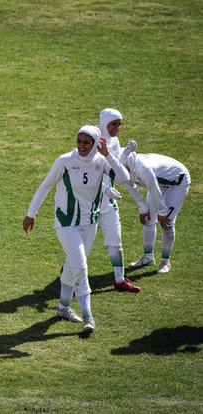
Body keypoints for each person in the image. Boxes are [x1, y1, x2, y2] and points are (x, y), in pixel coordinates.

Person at [23, 126, 130, 333]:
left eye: (86, 142)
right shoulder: (65, 161)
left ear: (96, 143)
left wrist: (108, 154)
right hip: (66, 223)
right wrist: (31, 213)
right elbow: (45, 186)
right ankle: (89, 317)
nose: (81, 146)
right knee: (81, 267)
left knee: (73, 267)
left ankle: (63, 308)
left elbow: (124, 177)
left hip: (90, 222)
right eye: (79, 141)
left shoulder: (101, 161)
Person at [120, 143, 190, 274]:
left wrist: (163, 212)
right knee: (147, 219)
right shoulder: (121, 168)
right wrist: (142, 207)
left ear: (127, 163)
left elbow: (154, 189)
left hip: (178, 181)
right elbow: (129, 186)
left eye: (123, 169)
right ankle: (148, 257)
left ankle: (165, 261)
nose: (121, 173)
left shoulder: (144, 168)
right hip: (158, 182)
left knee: (166, 222)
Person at [95, 108, 140, 292]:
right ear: (105, 121)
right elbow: (84, 172)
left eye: (120, 124)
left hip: (108, 201)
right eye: (114, 123)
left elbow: (116, 164)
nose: (117, 128)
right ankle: (70, 268)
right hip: (89, 200)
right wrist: (104, 189)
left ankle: (119, 280)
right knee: (82, 242)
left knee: (115, 239)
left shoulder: (113, 140)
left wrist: (126, 153)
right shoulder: (93, 139)